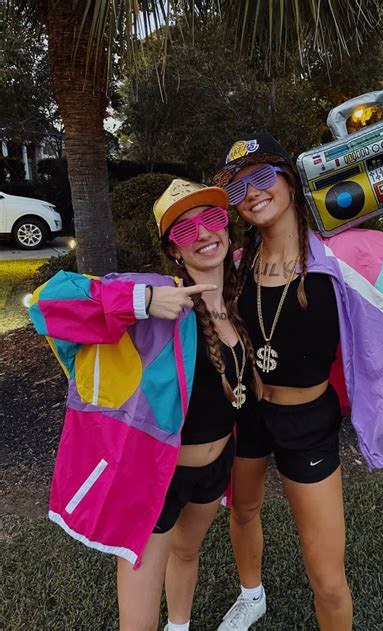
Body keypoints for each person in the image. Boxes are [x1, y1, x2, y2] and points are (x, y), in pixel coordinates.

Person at [212, 111, 383, 630]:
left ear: (290, 179)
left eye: (262, 176)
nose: (251, 192)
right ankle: (251, 594)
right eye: (237, 186)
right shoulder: (235, 262)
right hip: (247, 415)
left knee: (328, 580)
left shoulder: (346, 255)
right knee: (241, 511)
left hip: (308, 424)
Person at [28, 179, 262, 631]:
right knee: (137, 621)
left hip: (215, 469)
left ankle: (180, 626)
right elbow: (47, 303)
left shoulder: (236, 298)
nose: (202, 234)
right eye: (184, 229)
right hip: (157, 475)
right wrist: (145, 301)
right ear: (173, 249)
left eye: (212, 219)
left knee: (188, 552)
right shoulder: (156, 294)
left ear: (228, 230)